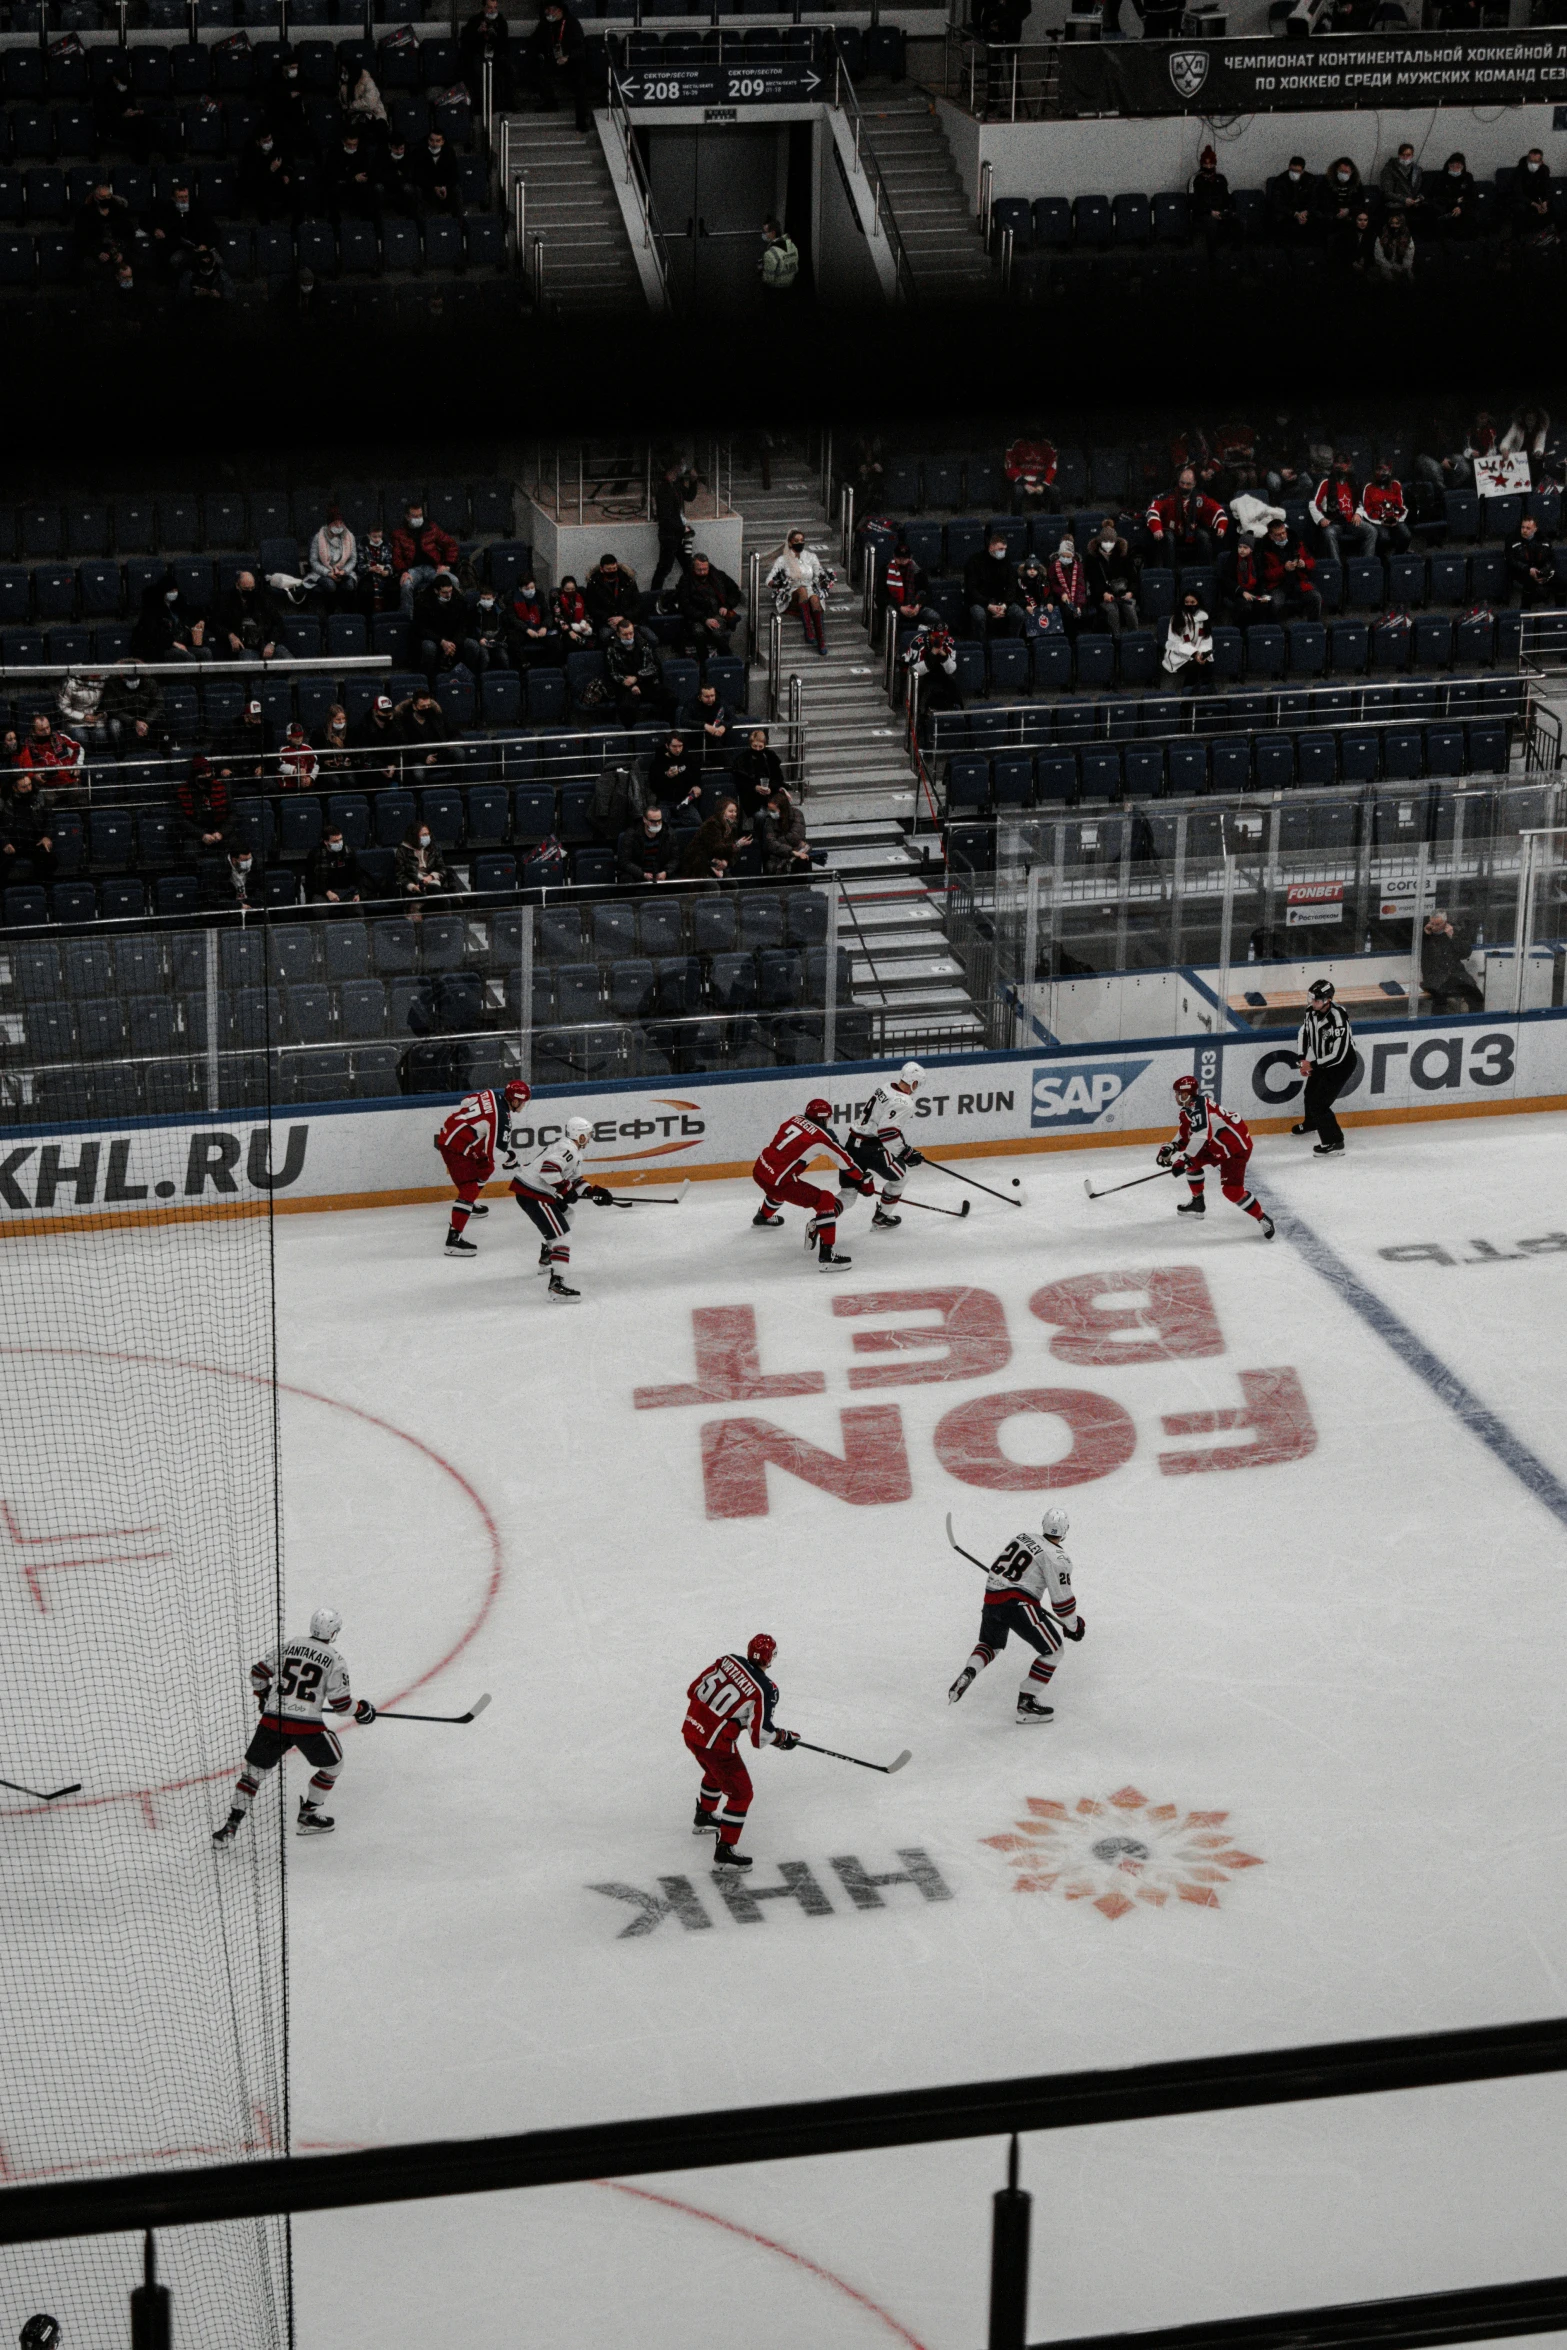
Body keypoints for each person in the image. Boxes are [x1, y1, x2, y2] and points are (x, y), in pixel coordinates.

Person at [212, 1606, 375, 1842]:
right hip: (306, 1727)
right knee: (333, 1766)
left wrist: (265, 1695)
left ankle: (230, 1826)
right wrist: (363, 1710)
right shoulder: (335, 1659)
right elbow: (341, 1706)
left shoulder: (289, 1645)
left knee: (253, 1775)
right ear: (334, 1632)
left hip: (272, 1722)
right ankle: (307, 1817)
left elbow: (258, 1673)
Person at [946, 1504, 1084, 1722]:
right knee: (1054, 1651)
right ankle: (1026, 1703)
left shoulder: (1023, 1537)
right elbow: (1062, 1602)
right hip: (1018, 1603)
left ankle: (970, 1671)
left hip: (992, 1598)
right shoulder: (1058, 1558)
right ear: (1066, 1530)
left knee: (991, 1644)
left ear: (1043, 1524)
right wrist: (1074, 1626)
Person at [684, 1633, 799, 1870]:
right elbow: (760, 1737)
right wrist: (783, 1737)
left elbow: (693, 1690)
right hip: (715, 1744)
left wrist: (734, 1717)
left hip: (691, 1730)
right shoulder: (765, 1689)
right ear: (769, 1658)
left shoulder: (727, 1660)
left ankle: (704, 1815)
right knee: (741, 1794)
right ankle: (725, 1851)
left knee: (715, 1772)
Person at [750, 1097, 875, 1270]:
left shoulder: (793, 1119)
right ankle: (827, 1256)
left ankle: (762, 1216)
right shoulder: (822, 1137)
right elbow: (846, 1162)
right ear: (824, 1118)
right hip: (778, 1184)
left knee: (783, 1179)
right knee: (825, 1199)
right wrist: (862, 1179)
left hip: (759, 1169)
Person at [506, 1114, 615, 1300]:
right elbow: (548, 1170)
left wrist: (592, 1192)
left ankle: (547, 1257)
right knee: (562, 1236)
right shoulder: (568, 1149)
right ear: (580, 1136)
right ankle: (556, 1285)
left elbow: (574, 1180)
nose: (589, 1138)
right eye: (588, 1135)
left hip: (533, 1190)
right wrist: (565, 1190)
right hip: (534, 1193)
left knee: (568, 1214)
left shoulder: (572, 1150)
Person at [1157, 1075, 1274, 1236]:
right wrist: (1171, 1147)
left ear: (1185, 1094)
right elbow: (1186, 1134)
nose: (1175, 1096)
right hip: (1214, 1145)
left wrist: (1183, 1159)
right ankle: (1198, 1203)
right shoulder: (1189, 1109)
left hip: (1235, 1148)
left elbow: (1201, 1134)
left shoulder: (1199, 1108)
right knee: (1192, 1163)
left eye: (1178, 1093)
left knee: (1232, 1191)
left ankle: (1262, 1218)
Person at [434, 1077, 531, 1256]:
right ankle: (453, 1240)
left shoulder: (491, 1094)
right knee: (469, 1188)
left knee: (486, 1166)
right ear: (515, 1100)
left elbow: (467, 1100)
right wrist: (511, 1159)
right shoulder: (502, 1118)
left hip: (454, 1132)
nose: (524, 1106)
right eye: (523, 1102)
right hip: (454, 1146)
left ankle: (469, 1205)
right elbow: (497, 1154)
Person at [842, 1060, 925, 1231]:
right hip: (871, 1148)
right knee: (901, 1178)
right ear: (914, 1083)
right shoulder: (905, 1102)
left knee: (848, 1194)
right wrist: (905, 1153)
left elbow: (884, 1126)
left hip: (852, 1144)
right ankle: (881, 1217)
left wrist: (904, 1150)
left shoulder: (886, 1087)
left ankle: (824, 1217)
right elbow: (887, 1133)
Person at [1291, 976, 1354, 1154]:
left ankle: (1335, 1142)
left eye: (1316, 999)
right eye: (1311, 998)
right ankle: (1312, 1123)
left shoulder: (1338, 1018)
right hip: (1321, 1061)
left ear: (1328, 1000)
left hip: (1341, 1065)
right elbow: (1304, 1032)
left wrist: (1313, 1065)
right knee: (1309, 1093)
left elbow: (1338, 1054)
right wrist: (1302, 1058)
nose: (1312, 1002)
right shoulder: (1311, 1011)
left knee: (1320, 1104)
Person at [524, 0, 589, 131]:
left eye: (551, 9)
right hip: (552, 61)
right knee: (535, 68)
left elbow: (581, 48)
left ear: (559, 10)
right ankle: (550, 102)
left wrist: (568, 57)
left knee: (580, 82)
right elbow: (533, 42)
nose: (548, 13)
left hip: (571, 63)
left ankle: (581, 120)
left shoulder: (571, 23)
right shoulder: (545, 24)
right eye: (547, 10)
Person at [766, 530, 831, 656]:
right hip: (791, 592)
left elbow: (818, 573)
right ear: (790, 543)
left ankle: (821, 641)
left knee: (814, 599)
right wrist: (778, 584)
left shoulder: (811, 556)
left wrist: (822, 580)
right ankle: (808, 630)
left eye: (802, 540)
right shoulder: (783, 559)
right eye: (796, 541)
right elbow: (769, 579)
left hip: (810, 588)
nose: (800, 543)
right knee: (802, 591)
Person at [1146, 466, 1228, 565]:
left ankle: (1206, 570)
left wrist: (1222, 525)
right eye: (1182, 483)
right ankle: (1170, 572)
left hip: (1192, 530)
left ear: (1194, 484)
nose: (1184, 486)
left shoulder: (1200, 497)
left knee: (1204, 536)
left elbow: (1217, 509)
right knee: (1169, 538)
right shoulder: (1167, 496)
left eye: (1188, 484)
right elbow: (1152, 510)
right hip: (1171, 531)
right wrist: (1156, 528)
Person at [393, 500, 459, 613]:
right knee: (406, 585)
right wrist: (403, 571)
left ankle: (453, 611)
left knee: (454, 580)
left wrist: (447, 565)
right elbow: (396, 556)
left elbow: (451, 545)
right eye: (415, 516)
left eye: (420, 515)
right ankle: (407, 616)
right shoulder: (398, 534)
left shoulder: (432, 528)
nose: (418, 518)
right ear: (407, 517)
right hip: (412, 570)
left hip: (432, 567)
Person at [1310, 453, 1376, 564]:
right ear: (1333, 464)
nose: (1340, 465)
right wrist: (1321, 518)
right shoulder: (1325, 482)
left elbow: (1360, 502)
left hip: (1351, 521)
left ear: (1348, 465)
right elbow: (1313, 503)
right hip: (1334, 523)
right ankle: (1337, 566)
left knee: (1371, 531)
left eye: (1343, 463)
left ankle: (1366, 563)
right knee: (1329, 534)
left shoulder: (1353, 482)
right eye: (1337, 463)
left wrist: (1358, 514)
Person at [651, 456, 702, 595]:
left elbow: (689, 496)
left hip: (677, 533)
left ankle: (692, 591)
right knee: (664, 567)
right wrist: (682, 528)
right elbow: (666, 517)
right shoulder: (664, 489)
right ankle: (654, 595)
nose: (682, 468)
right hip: (670, 535)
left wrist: (693, 481)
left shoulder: (675, 484)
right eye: (680, 465)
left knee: (686, 565)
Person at [414, 573, 479, 680]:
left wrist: (453, 643)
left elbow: (464, 625)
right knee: (429, 647)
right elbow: (421, 628)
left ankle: (468, 680)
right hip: (434, 639)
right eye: (444, 593)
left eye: (450, 591)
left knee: (472, 645)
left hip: (453, 640)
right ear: (436, 591)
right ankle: (426, 680)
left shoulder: (458, 600)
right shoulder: (423, 602)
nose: (448, 595)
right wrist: (441, 641)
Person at [132, 569, 206, 663]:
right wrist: (173, 643)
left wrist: (201, 621)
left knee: (204, 653)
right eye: (171, 591)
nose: (174, 593)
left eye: (175, 590)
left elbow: (195, 612)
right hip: (162, 648)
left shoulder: (178, 605)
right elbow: (155, 633)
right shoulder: (152, 610)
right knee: (187, 657)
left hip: (181, 644)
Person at [605, 614, 666, 726]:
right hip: (626, 686)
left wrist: (637, 678)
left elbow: (652, 667)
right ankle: (631, 736)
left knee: (669, 697)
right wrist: (630, 685)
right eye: (625, 635)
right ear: (618, 634)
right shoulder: (612, 648)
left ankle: (664, 727)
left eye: (631, 633)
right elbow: (613, 672)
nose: (629, 637)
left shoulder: (643, 644)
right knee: (626, 707)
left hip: (645, 682)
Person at [1256, 517, 1321, 620]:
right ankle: (1275, 631)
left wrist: (1304, 564)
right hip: (1278, 585)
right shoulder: (1264, 549)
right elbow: (1265, 574)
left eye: (1283, 533)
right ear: (1271, 536)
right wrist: (1283, 569)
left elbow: (1312, 561)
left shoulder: (1297, 543)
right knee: (1275, 603)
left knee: (1315, 597)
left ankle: (1313, 627)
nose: (1282, 536)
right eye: (1278, 535)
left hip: (1298, 580)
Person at [677, 552, 743, 655]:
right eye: (699, 570)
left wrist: (727, 606)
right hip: (697, 616)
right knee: (698, 632)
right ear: (693, 568)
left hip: (717, 613)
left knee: (717, 633)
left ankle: (728, 659)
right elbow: (685, 604)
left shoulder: (718, 576)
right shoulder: (686, 580)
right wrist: (704, 619)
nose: (703, 572)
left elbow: (735, 592)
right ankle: (704, 662)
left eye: (705, 569)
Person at [966, 528, 1025, 641]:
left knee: (1019, 614)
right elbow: (971, 589)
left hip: (1001, 601)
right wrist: (988, 605)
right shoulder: (975, 561)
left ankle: (1012, 642)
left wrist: (1004, 605)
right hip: (981, 601)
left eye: (1005, 549)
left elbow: (1012, 585)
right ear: (991, 547)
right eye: (1000, 549)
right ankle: (980, 645)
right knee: (979, 615)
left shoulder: (1006, 561)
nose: (1003, 551)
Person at [1084, 518, 1140, 634]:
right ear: (1100, 541)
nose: (1108, 544)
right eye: (1105, 541)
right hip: (1103, 595)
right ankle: (1116, 638)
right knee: (1112, 611)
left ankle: (1134, 635)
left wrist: (1131, 592)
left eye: (1111, 541)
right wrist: (1103, 593)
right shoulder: (1092, 558)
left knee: (1130, 608)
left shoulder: (1123, 555)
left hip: (1123, 592)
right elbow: (1093, 581)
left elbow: (1133, 578)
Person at [1421, 908, 1484, 1013]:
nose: (1434, 927)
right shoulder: (1425, 934)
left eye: (1438, 924)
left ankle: (1474, 1024)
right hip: (1435, 976)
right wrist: (1426, 936)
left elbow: (1465, 953)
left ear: (1445, 923)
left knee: (1476, 997)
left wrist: (1452, 937)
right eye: (1432, 923)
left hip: (1456, 973)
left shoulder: (1456, 932)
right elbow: (1424, 955)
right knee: (1440, 1001)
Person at [676, 794, 750, 881]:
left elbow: (732, 853)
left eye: (735, 811)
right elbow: (716, 848)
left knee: (732, 885)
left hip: (716, 865)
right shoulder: (711, 825)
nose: (734, 814)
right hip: (699, 864)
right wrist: (737, 844)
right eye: (730, 811)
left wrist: (726, 862)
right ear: (722, 812)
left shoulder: (732, 827)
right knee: (713, 887)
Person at [101, 663, 167, 759]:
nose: (133, 682)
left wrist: (146, 721)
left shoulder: (149, 682)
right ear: (122, 677)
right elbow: (112, 708)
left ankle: (163, 756)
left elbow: (158, 704)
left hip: (145, 717)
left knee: (162, 720)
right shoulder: (112, 683)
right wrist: (134, 722)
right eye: (129, 680)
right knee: (113, 725)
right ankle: (120, 758)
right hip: (124, 718)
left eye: (136, 679)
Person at [1, 775, 55, 885]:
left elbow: (49, 818)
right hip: (11, 841)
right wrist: (4, 842)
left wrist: (46, 836)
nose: (29, 789)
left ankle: (41, 890)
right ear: (15, 788)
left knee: (50, 861)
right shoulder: (5, 801)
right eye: (24, 787)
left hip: (34, 841)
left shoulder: (38, 797)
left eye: (30, 784)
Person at [901, 614, 963, 710]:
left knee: (952, 682)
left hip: (938, 672)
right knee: (920, 683)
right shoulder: (918, 642)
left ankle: (956, 710)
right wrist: (933, 654)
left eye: (943, 637)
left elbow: (951, 670)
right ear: (929, 634)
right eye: (937, 637)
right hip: (917, 672)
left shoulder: (950, 642)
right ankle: (916, 713)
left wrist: (944, 656)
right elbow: (914, 670)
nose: (940, 640)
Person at [175, 754, 233, 858]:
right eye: (203, 774)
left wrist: (221, 833)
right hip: (196, 834)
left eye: (209, 773)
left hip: (219, 830)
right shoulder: (183, 791)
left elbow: (233, 813)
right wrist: (201, 835)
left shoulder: (221, 787)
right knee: (189, 853)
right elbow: (181, 819)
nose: (207, 776)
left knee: (235, 848)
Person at [460, 0, 514, 106]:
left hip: (496, 55)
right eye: (490, 7)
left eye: (495, 7)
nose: (493, 10)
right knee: (478, 70)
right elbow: (466, 41)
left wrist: (495, 36)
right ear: (484, 7)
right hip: (478, 55)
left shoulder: (501, 21)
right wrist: (478, 32)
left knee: (510, 70)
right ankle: (483, 104)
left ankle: (508, 102)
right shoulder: (474, 20)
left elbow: (504, 44)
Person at [217, 570, 281, 660]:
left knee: (288, 659)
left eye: (252, 588)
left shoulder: (262, 598)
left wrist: (272, 643)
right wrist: (230, 635)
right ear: (237, 586)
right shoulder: (227, 600)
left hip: (265, 641)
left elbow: (278, 623)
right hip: (244, 646)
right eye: (246, 589)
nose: (250, 591)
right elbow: (217, 623)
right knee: (248, 662)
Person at [1189, 145, 1239, 249]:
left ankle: (1235, 257)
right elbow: (1193, 202)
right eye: (1206, 164)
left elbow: (1229, 197)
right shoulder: (1195, 179)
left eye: (1210, 164)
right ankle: (1213, 258)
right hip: (1203, 214)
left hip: (1220, 210)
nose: (1208, 167)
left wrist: (1228, 211)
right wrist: (1209, 212)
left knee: (1238, 221)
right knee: (1212, 224)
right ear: (1202, 164)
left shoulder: (1221, 178)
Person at [730, 726, 785, 821]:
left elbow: (778, 777)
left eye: (760, 746)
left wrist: (770, 788)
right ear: (750, 745)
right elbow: (740, 782)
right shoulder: (743, 759)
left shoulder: (770, 756)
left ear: (765, 745)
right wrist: (755, 787)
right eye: (754, 746)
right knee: (761, 816)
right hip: (751, 797)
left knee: (782, 813)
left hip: (771, 795)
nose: (758, 749)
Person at [680, 679, 735, 771]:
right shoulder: (691, 703)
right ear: (700, 697)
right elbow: (684, 721)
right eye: (707, 697)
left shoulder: (720, 702)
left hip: (715, 741)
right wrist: (704, 725)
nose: (710, 699)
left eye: (712, 696)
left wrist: (724, 726)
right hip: (695, 742)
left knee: (729, 766)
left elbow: (733, 718)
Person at [1221, 532, 1272, 631]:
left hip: (1253, 591)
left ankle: (1258, 632)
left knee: (1264, 605)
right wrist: (1242, 591)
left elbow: (1260, 579)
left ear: (1251, 549)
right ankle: (1243, 633)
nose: (1242, 550)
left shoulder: (1256, 559)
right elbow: (1226, 579)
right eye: (1240, 547)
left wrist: (1263, 594)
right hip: (1237, 593)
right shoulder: (1233, 558)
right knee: (1245, 607)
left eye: (1245, 547)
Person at [1358, 461, 1411, 555]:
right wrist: (1382, 519)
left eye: (1385, 470)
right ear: (1375, 471)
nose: (1382, 472)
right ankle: (1382, 560)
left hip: (1394, 518)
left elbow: (1400, 506)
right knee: (1384, 537)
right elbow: (1367, 509)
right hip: (1376, 519)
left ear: (1390, 471)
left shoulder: (1395, 485)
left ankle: (1397, 557)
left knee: (1406, 535)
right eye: (1379, 469)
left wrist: (1395, 518)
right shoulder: (1369, 487)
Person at [757, 782, 811, 876]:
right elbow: (770, 843)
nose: (770, 813)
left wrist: (778, 841)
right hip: (779, 856)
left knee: (801, 861)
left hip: (796, 853)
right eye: (769, 810)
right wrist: (791, 852)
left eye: (773, 810)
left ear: (782, 809)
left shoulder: (796, 814)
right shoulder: (769, 819)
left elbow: (796, 837)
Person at [584, 552, 641, 637]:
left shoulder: (627, 580)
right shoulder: (594, 584)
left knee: (651, 638)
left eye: (614, 568)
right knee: (607, 636)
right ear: (601, 569)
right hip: (606, 622)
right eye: (608, 569)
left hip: (628, 619)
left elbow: (638, 604)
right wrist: (610, 619)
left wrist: (623, 617)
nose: (612, 571)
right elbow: (591, 607)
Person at [308, 506, 359, 600]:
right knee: (330, 585)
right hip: (324, 571)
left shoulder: (349, 536)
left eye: (341, 523)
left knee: (349, 585)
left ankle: (346, 609)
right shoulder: (318, 537)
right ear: (329, 524)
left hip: (343, 571)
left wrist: (344, 571)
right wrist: (328, 572)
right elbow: (313, 561)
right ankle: (329, 610)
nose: (339, 526)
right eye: (335, 523)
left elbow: (353, 559)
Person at [1162, 592, 1212, 687]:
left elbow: (1206, 639)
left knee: (1207, 665)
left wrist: (1202, 654)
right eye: (1186, 602)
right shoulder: (1176, 619)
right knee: (1195, 666)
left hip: (1197, 653)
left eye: (1192, 602)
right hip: (1178, 654)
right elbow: (1176, 644)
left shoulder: (1203, 618)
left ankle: (1204, 694)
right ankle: (1187, 697)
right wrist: (1194, 653)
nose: (1189, 605)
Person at [17, 713, 83, 785]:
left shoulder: (60, 737)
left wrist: (76, 764)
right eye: (42, 730)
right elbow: (24, 768)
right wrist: (33, 776)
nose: (47, 732)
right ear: (33, 731)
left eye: (48, 727)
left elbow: (78, 748)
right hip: (45, 786)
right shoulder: (26, 746)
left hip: (68, 780)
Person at [617, 799, 674, 883]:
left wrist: (666, 872)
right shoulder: (631, 834)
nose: (657, 824)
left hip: (660, 874)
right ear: (645, 820)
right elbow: (624, 861)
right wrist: (642, 874)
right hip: (637, 875)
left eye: (659, 820)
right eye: (653, 821)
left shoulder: (669, 833)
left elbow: (675, 858)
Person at [1507, 515, 1558, 607]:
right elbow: (1511, 560)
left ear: (1535, 529)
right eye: (1523, 527)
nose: (1524, 530)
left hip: (1539, 569)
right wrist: (1528, 569)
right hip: (1522, 571)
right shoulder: (1512, 540)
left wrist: (1544, 571)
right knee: (1529, 583)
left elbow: (1550, 558)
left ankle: (1560, 612)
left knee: (1560, 583)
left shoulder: (1543, 540)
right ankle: (1525, 612)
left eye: (1528, 528)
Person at [509, 574, 560, 664]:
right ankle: (524, 665)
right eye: (527, 589)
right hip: (522, 630)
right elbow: (512, 618)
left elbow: (547, 614)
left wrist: (545, 626)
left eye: (532, 588)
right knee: (512, 640)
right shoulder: (512, 597)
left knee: (556, 644)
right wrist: (526, 629)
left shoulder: (539, 596)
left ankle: (545, 666)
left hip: (539, 627)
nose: (531, 591)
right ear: (520, 589)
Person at [306, 823, 361, 906]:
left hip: (345, 890)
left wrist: (356, 892)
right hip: (322, 891)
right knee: (320, 910)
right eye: (335, 841)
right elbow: (311, 880)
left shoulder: (349, 852)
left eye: (340, 839)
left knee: (357, 911)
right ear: (326, 842)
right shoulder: (315, 854)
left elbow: (356, 875)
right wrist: (327, 892)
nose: (339, 843)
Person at [1004, 430, 1058, 514]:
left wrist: (1043, 485)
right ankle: (1016, 520)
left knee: (1055, 490)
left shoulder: (1048, 445)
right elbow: (1010, 466)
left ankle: (1055, 519)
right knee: (1018, 491)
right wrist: (1024, 483)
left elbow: (1052, 468)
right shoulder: (1017, 444)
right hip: (1022, 480)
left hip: (1041, 480)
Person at [1268, 157, 1318, 247]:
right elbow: (1277, 203)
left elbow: (1315, 200)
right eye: (1292, 170)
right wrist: (1294, 214)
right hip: (1287, 214)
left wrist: (1306, 212)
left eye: (1297, 171)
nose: (1294, 173)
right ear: (1288, 167)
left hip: (1305, 213)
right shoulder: (1280, 180)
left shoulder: (1310, 180)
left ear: (1302, 171)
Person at [648, 732, 700, 817]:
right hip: (664, 801)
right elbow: (653, 785)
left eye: (680, 746)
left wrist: (697, 786)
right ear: (667, 746)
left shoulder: (688, 758)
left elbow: (696, 775)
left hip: (684, 800)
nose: (678, 749)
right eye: (674, 746)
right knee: (662, 824)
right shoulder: (657, 762)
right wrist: (666, 776)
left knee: (697, 822)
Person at [396, 817, 450, 896]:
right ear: (414, 836)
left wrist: (430, 877)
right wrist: (412, 886)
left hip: (432, 880)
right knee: (438, 894)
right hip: (415, 883)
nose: (427, 837)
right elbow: (400, 875)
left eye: (428, 834)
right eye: (424, 835)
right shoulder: (402, 851)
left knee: (449, 875)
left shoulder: (433, 847)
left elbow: (441, 867)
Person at [1379, 142, 1427, 227]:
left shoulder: (1417, 170)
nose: (1405, 158)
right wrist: (1404, 200)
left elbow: (1421, 188)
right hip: (1397, 202)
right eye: (1402, 155)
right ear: (1398, 155)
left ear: (1412, 155)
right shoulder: (1389, 170)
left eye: (1408, 155)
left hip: (1414, 202)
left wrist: (1418, 198)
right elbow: (1387, 193)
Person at [1430, 153, 1477, 239]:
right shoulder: (1441, 176)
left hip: (1462, 206)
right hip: (1444, 205)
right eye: (1452, 166)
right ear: (1448, 165)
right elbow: (1435, 196)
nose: (1455, 169)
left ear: (1463, 167)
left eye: (1458, 167)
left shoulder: (1467, 177)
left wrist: (1460, 207)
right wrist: (1454, 201)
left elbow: (1471, 196)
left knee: (1470, 215)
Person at [1372, 210, 1415, 287]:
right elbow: (1379, 256)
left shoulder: (1407, 237)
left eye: (1397, 223)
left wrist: (1401, 269)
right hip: (1385, 267)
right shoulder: (1382, 236)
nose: (1394, 226)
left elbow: (1409, 256)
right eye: (1392, 223)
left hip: (1402, 267)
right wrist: (1389, 269)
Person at [760, 216, 800, 296]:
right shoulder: (792, 246)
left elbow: (768, 280)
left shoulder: (770, 253)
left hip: (776, 293)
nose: (763, 235)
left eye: (765, 232)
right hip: (791, 290)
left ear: (773, 233)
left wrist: (761, 270)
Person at [554, 573, 594, 646]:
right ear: (563, 589)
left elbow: (587, 612)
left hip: (582, 626)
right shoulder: (558, 599)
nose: (570, 591)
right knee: (572, 643)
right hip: (567, 629)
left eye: (573, 589)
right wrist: (569, 631)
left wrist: (588, 623)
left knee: (592, 642)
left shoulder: (580, 596)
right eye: (567, 589)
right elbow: (558, 618)